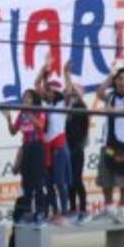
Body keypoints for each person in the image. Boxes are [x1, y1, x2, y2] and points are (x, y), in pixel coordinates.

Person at [95, 60, 124, 222]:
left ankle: (121, 209)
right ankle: (109, 208)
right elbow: (99, 92)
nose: (123, 82)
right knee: (106, 178)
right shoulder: (110, 96)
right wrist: (112, 74)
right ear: (115, 82)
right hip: (108, 144)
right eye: (120, 79)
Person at [36, 58, 73, 225]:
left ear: (57, 93)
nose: (48, 93)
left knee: (60, 181)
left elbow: (69, 92)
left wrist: (66, 73)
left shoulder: (62, 105)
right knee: (49, 183)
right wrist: (43, 71)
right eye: (48, 91)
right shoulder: (45, 105)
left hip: (59, 146)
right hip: (46, 148)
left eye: (52, 91)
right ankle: (55, 211)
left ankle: (64, 212)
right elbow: (37, 86)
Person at [4, 89, 48, 224]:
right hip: (26, 147)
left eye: (28, 97)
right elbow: (13, 131)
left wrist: (29, 113)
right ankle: (27, 213)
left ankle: (41, 212)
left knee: (38, 182)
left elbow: (40, 126)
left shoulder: (40, 112)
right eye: (24, 98)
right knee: (26, 182)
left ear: (34, 99)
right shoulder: (21, 114)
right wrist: (8, 118)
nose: (25, 100)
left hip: (38, 148)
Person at [63, 63, 92, 223]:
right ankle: (73, 208)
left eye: (75, 93)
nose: (71, 94)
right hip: (67, 147)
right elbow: (67, 94)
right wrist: (66, 74)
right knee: (69, 181)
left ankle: (83, 209)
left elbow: (73, 93)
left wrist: (66, 74)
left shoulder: (81, 107)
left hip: (77, 148)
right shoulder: (66, 107)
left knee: (77, 179)